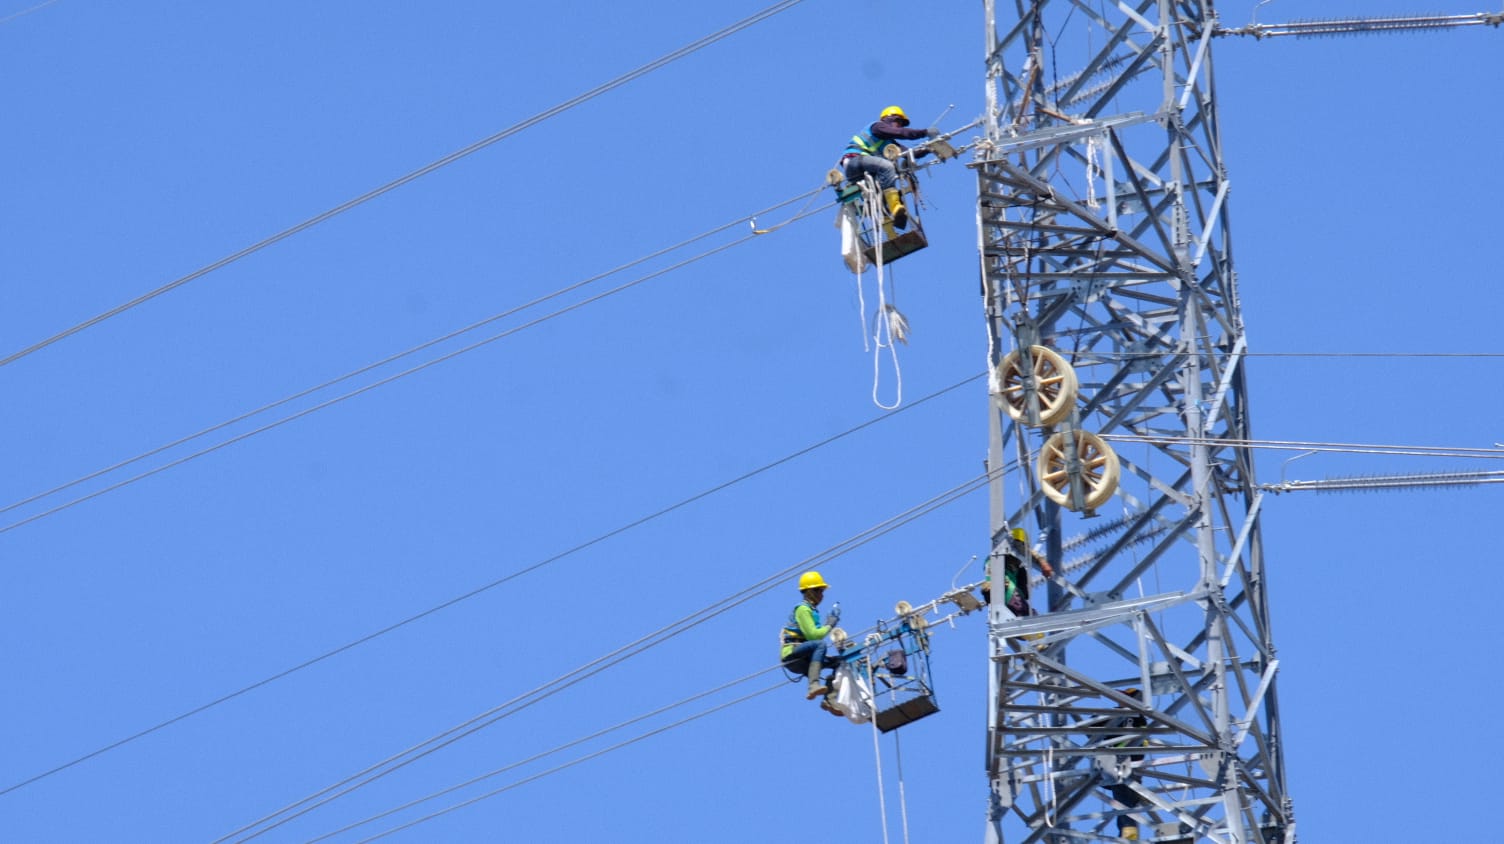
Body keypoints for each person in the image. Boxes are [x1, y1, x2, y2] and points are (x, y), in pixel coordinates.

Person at [839, 105, 938, 230]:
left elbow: (910, 154)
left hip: (867, 167)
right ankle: (895, 207)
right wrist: (925, 132)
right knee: (887, 166)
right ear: (888, 118)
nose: (899, 126)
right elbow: (901, 133)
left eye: (901, 124)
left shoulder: (890, 143)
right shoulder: (877, 127)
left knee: (885, 186)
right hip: (854, 162)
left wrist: (930, 148)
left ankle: (891, 218)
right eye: (898, 121)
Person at [780, 570, 843, 714]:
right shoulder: (802, 609)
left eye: (822, 591)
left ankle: (830, 699)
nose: (822, 595)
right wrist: (830, 624)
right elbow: (814, 636)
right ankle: (813, 685)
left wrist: (827, 624)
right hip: (792, 654)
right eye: (818, 590)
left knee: (839, 662)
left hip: (804, 656)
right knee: (820, 645)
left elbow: (814, 636)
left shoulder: (812, 611)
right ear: (809, 592)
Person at [981, 527, 1055, 618]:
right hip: (1006, 590)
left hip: (994, 595)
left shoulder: (995, 559)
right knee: (1029, 617)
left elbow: (1024, 589)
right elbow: (1023, 549)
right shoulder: (1007, 551)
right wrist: (1042, 562)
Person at [1107, 687, 1149, 841]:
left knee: (1124, 801)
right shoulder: (1140, 717)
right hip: (1131, 766)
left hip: (1122, 763)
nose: (1120, 698)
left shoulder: (1124, 716)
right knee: (1128, 801)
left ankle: (1128, 835)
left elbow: (1094, 726)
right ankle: (1129, 834)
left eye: (1125, 696)